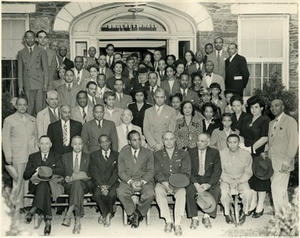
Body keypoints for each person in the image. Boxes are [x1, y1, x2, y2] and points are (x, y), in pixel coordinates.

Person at [2, 97, 39, 212]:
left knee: (30, 178)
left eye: (24, 105)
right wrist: (8, 155)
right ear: (16, 106)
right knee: (18, 180)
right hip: (17, 154)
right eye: (20, 105)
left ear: (27, 106)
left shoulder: (33, 119)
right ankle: (18, 205)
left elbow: (36, 137)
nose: (22, 107)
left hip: (31, 154)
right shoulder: (9, 120)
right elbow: (6, 139)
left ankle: (28, 203)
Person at [23, 136, 64, 235]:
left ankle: (34, 209)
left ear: (51, 145)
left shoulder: (57, 156)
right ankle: (48, 222)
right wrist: (37, 170)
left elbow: (62, 171)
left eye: (47, 143)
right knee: (43, 186)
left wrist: (45, 170)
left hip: (51, 185)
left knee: (44, 185)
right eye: (42, 143)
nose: (44, 146)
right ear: (38, 145)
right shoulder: (33, 157)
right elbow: (26, 175)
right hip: (36, 185)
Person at [264, 99, 298, 215]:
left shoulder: (290, 121)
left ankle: (279, 219)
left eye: (277, 105)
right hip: (272, 164)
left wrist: (287, 162)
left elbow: (293, 143)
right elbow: (270, 143)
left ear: (283, 107)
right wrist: (265, 152)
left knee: (276, 189)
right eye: (271, 106)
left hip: (283, 163)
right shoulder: (271, 123)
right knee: (281, 192)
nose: (274, 108)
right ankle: (287, 217)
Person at [154, 131, 191, 236]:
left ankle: (178, 223)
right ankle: (168, 220)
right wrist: (165, 183)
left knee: (182, 192)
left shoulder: (184, 154)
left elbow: (186, 172)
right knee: (157, 190)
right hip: (163, 182)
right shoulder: (157, 154)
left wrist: (176, 183)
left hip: (179, 183)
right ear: (162, 141)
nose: (169, 142)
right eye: (166, 139)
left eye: (171, 139)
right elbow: (156, 172)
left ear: (175, 140)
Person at [117, 130, 155, 228]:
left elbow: (151, 171)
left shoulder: (148, 152)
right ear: (129, 142)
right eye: (134, 140)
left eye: (139, 139)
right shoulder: (123, 153)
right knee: (121, 192)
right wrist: (130, 182)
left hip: (144, 180)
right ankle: (132, 213)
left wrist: (142, 182)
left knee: (150, 193)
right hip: (128, 180)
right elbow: (121, 172)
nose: (138, 142)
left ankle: (138, 213)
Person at [240, 96, 270, 218]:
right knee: (250, 178)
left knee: (260, 178)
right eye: (251, 107)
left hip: (259, 152)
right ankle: (252, 204)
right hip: (246, 152)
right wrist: (242, 146)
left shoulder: (265, 120)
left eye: (256, 107)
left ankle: (260, 206)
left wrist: (251, 148)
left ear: (261, 108)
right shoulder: (247, 119)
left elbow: (264, 138)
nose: (253, 110)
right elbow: (241, 134)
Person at [186, 133, 221, 229]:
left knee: (216, 190)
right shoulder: (190, 152)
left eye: (202, 141)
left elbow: (217, 171)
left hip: (208, 180)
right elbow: (188, 170)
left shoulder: (214, 153)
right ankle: (194, 217)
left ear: (208, 142)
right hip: (195, 179)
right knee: (189, 190)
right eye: (198, 140)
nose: (199, 143)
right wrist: (196, 184)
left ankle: (207, 215)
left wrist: (208, 184)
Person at [220, 134, 256, 225]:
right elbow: (220, 171)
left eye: (235, 142)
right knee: (222, 193)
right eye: (230, 142)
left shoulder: (246, 154)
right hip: (226, 180)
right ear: (227, 143)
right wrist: (230, 181)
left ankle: (244, 212)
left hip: (241, 179)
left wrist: (239, 181)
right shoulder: (221, 154)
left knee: (248, 193)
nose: (232, 145)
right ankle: (227, 213)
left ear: (238, 143)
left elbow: (248, 171)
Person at [61, 136, 92, 234]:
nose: (77, 146)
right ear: (71, 145)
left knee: (78, 184)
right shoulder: (65, 156)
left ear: (82, 145)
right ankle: (77, 220)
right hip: (69, 185)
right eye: (75, 144)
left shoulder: (88, 157)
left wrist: (80, 177)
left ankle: (69, 214)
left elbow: (91, 174)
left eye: (79, 144)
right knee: (76, 185)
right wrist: (65, 177)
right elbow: (62, 172)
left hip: (84, 184)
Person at [90, 134, 119, 227]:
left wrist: (108, 186)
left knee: (112, 194)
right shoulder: (94, 155)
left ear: (110, 142)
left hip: (112, 183)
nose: (105, 144)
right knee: (97, 194)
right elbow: (94, 172)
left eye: (107, 141)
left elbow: (116, 172)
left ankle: (104, 214)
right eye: (102, 142)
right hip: (99, 183)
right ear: (99, 144)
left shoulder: (117, 155)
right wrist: (101, 186)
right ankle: (107, 213)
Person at [18, 30, 49, 116]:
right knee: (29, 108)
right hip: (28, 82)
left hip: (39, 83)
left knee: (40, 108)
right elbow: (20, 70)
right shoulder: (21, 53)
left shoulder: (41, 51)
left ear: (35, 39)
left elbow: (46, 69)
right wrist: (20, 86)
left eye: (32, 37)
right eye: (28, 38)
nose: (30, 40)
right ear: (25, 39)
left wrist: (45, 84)